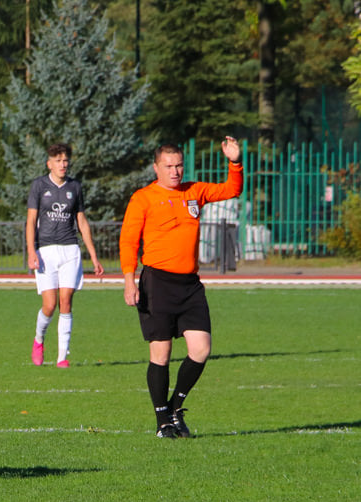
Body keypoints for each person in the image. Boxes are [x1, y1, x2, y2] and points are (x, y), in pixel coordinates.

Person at [119, 138, 243, 438]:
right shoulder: (143, 198)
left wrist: (235, 162)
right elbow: (128, 241)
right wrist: (128, 280)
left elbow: (231, 189)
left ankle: (175, 407)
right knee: (160, 354)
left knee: (201, 350)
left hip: (190, 285)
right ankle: (163, 422)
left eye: (178, 166)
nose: (174, 172)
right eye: (168, 166)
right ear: (156, 167)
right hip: (157, 283)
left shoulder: (194, 191)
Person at [26, 142, 104, 368]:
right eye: (58, 161)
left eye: (65, 160)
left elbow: (82, 221)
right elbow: (31, 221)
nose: (63, 164)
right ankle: (39, 339)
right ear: (49, 163)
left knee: (66, 301)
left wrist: (94, 256)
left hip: (70, 249)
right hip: (45, 251)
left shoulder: (75, 187)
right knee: (49, 305)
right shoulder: (39, 186)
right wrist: (32, 251)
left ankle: (62, 357)